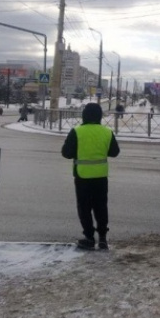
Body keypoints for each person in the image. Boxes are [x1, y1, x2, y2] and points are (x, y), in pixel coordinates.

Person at [61, 103, 120, 250]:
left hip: (82, 176)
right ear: (100, 116)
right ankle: (102, 238)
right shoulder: (107, 132)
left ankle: (89, 237)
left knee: (84, 207)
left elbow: (66, 153)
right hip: (101, 176)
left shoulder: (76, 131)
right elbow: (114, 152)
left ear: (84, 115)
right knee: (101, 206)